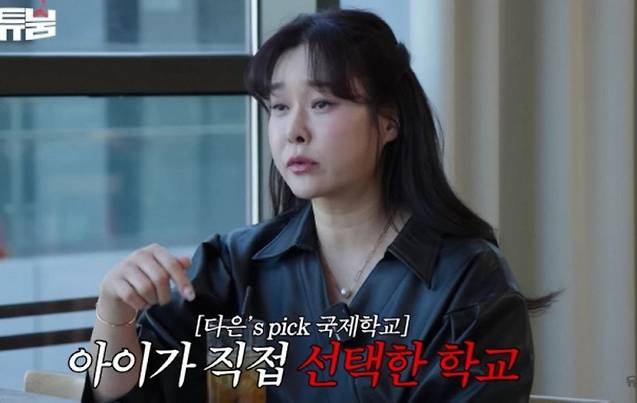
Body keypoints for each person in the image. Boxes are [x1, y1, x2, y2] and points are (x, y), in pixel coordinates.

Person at [81, 8, 559, 403]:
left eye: (323, 103)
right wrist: (114, 312)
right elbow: (129, 395)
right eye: (280, 107)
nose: (294, 131)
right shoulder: (235, 268)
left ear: (388, 122)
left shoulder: (468, 284)